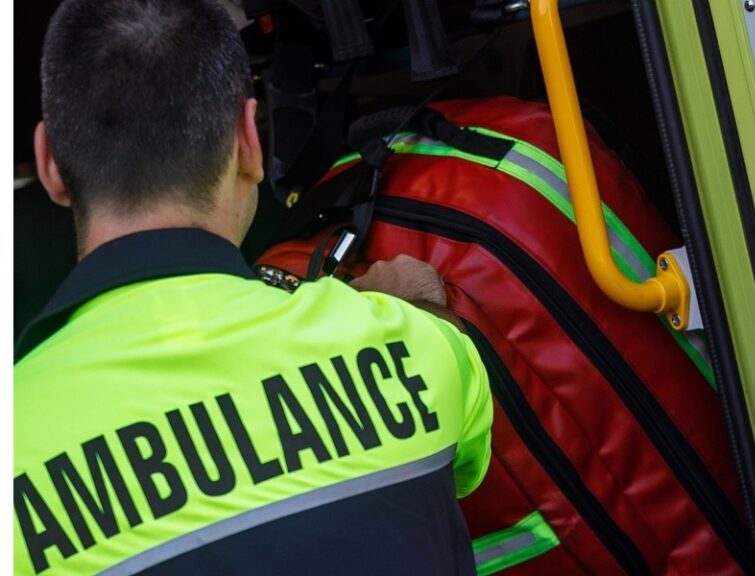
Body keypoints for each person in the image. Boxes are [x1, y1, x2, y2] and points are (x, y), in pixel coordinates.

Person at [13, 0, 493, 574]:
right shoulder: (416, 346)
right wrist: (403, 312)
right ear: (249, 140)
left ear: (50, 164)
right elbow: (468, 457)